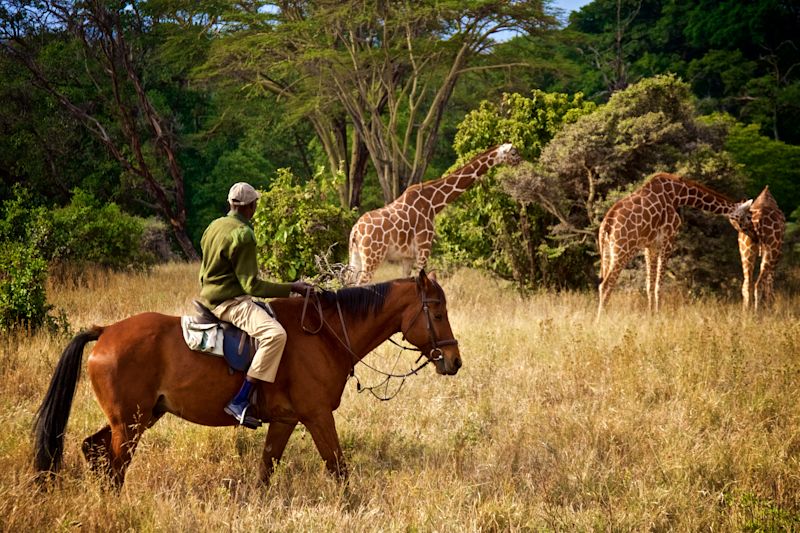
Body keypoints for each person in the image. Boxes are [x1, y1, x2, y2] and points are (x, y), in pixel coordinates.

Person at [198, 182, 313, 427]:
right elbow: (251, 286)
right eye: (255, 205)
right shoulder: (244, 234)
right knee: (275, 335)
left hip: (207, 297)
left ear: (230, 204)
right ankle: (240, 400)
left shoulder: (213, 226)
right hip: (230, 304)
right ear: (251, 207)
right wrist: (292, 287)